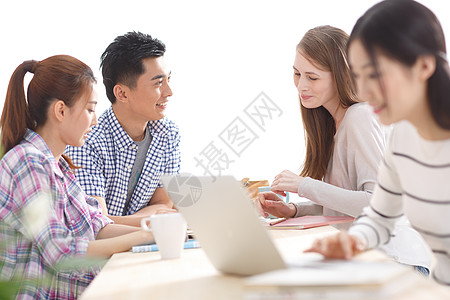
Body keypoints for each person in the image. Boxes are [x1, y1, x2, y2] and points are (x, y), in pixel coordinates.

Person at [254, 25, 431, 273]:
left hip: (395, 262)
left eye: (312, 77)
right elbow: (345, 204)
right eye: (297, 74)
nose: (301, 86)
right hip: (369, 261)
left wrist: (303, 185)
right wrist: (293, 210)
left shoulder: (359, 116)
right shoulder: (331, 124)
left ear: (340, 75)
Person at [304, 0, 450, 285]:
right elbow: (380, 216)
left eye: (373, 75)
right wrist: (350, 242)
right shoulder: (403, 137)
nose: (361, 91)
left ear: (423, 66)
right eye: (357, 76)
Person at [0, 55, 155, 299]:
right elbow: (61, 254)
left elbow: (96, 225)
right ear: (61, 110)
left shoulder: (58, 165)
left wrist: (154, 230)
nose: (94, 120)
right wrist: (141, 237)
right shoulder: (28, 162)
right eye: (90, 109)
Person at [65, 32, 180, 227]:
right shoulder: (87, 141)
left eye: (169, 79)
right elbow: (95, 225)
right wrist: (153, 220)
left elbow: (164, 203)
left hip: (143, 245)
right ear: (122, 93)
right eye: (158, 83)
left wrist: (124, 222)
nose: (169, 92)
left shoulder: (168, 133)